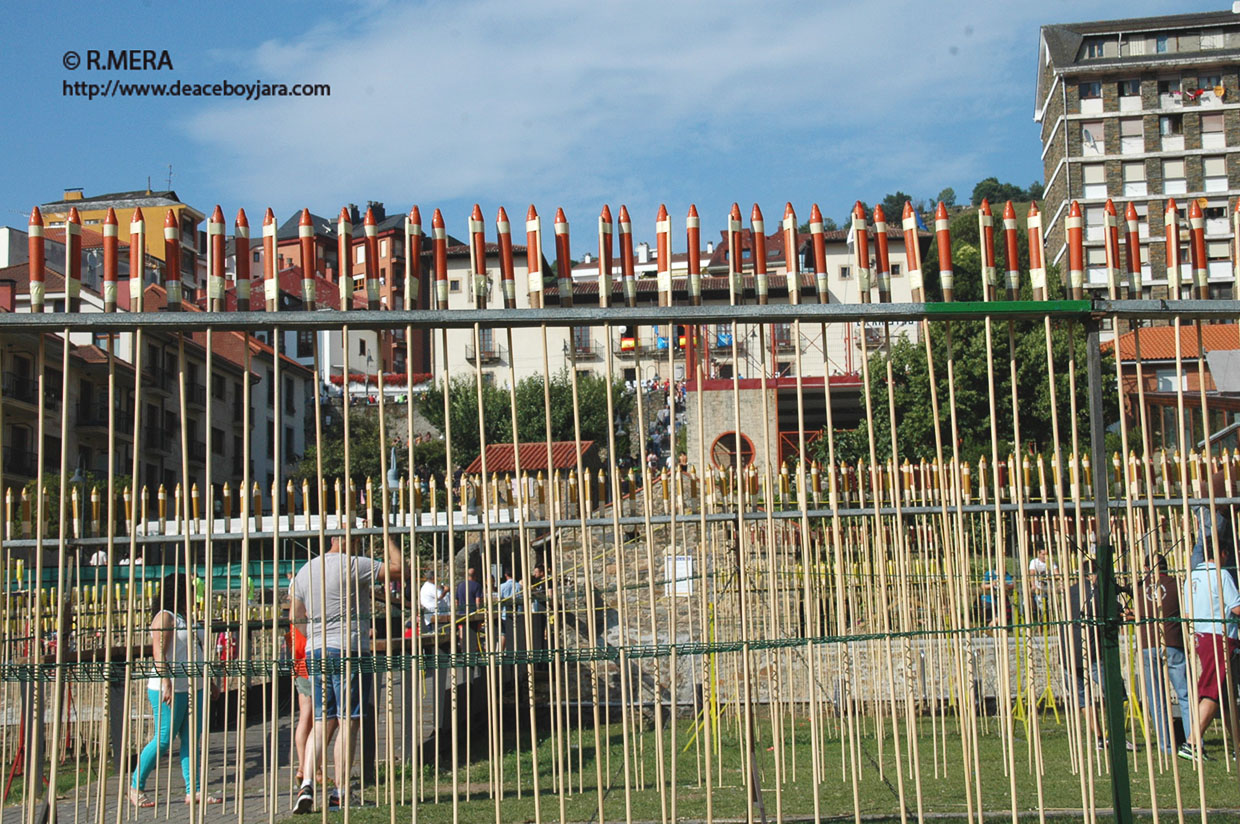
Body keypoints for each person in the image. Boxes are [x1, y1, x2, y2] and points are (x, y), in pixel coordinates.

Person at [291, 535, 405, 813]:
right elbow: (400, 568)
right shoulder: (353, 564)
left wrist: (315, 638)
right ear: (348, 542)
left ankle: (306, 783)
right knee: (347, 720)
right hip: (348, 649)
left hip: (316, 651)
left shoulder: (305, 569)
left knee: (320, 720)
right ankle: (340, 791)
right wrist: (385, 536)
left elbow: (295, 616)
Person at [128, 573, 221, 808]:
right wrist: (166, 681)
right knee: (164, 738)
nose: (194, 595)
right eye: (190, 590)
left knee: (192, 739)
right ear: (178, 592)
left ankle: (195, 790)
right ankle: (135, 784)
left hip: (194, 686)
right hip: (169, 688)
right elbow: (159, 653)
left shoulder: (186, 618)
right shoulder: (165, 617)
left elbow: (196, 651)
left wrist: (208, 680)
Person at [1060, 560, 1133, 752]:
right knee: (1115, 691)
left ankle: (1100, 738)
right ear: (1094, 575)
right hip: (1090, 653)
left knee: (1083, 698)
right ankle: (1116, 736)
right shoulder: (1095, 593)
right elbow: (1116, 613)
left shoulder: (1069, 592)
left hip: (1068, 654)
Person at [1183, 541, 1240, 762]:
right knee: (1212, 691)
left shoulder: (1192, 577)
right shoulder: (1221, 575)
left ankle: (1237, 745)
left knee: (1226, 696)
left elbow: (1188, 613)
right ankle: (1192, 742)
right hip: (1220, 637)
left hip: (1201, 635)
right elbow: (1236, 607)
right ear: (1222, 553)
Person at [1133, 554, 1184, 754]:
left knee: (1156, 697)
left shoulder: (1138, 588)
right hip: (1172, 642)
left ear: (1146, 568)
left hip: (1147, 644)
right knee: (1185, 695)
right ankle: (1193, 741)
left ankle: (1166, 744)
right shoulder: (1176, 584)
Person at [285, 589, 314, 784]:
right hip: (306, 661)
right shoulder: (302, 614)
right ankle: (305, 766)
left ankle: (308, 766)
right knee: (308, 716)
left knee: (308, 716)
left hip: (301, 661)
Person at [1028, 547, 1056, 617]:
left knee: (1050, 606)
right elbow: (1032, 573)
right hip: (1039, 588)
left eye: (1046, 554)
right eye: (1043, 554)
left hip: (1048, 588)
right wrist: (1033, 585)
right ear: (1039, 554)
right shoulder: (1034, 562)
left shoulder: (1050, 562)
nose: (1045, 556)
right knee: (1040, 606)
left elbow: (1056, 573)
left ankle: (1049, 618)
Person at [497, 569, 521, 651]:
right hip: (517, 613)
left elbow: (498, 600)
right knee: (515, 633)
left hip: (504, 613)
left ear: (506, 575)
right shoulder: (519, 586)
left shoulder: (502, 586)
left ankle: (501, 652)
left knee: (504, 633)